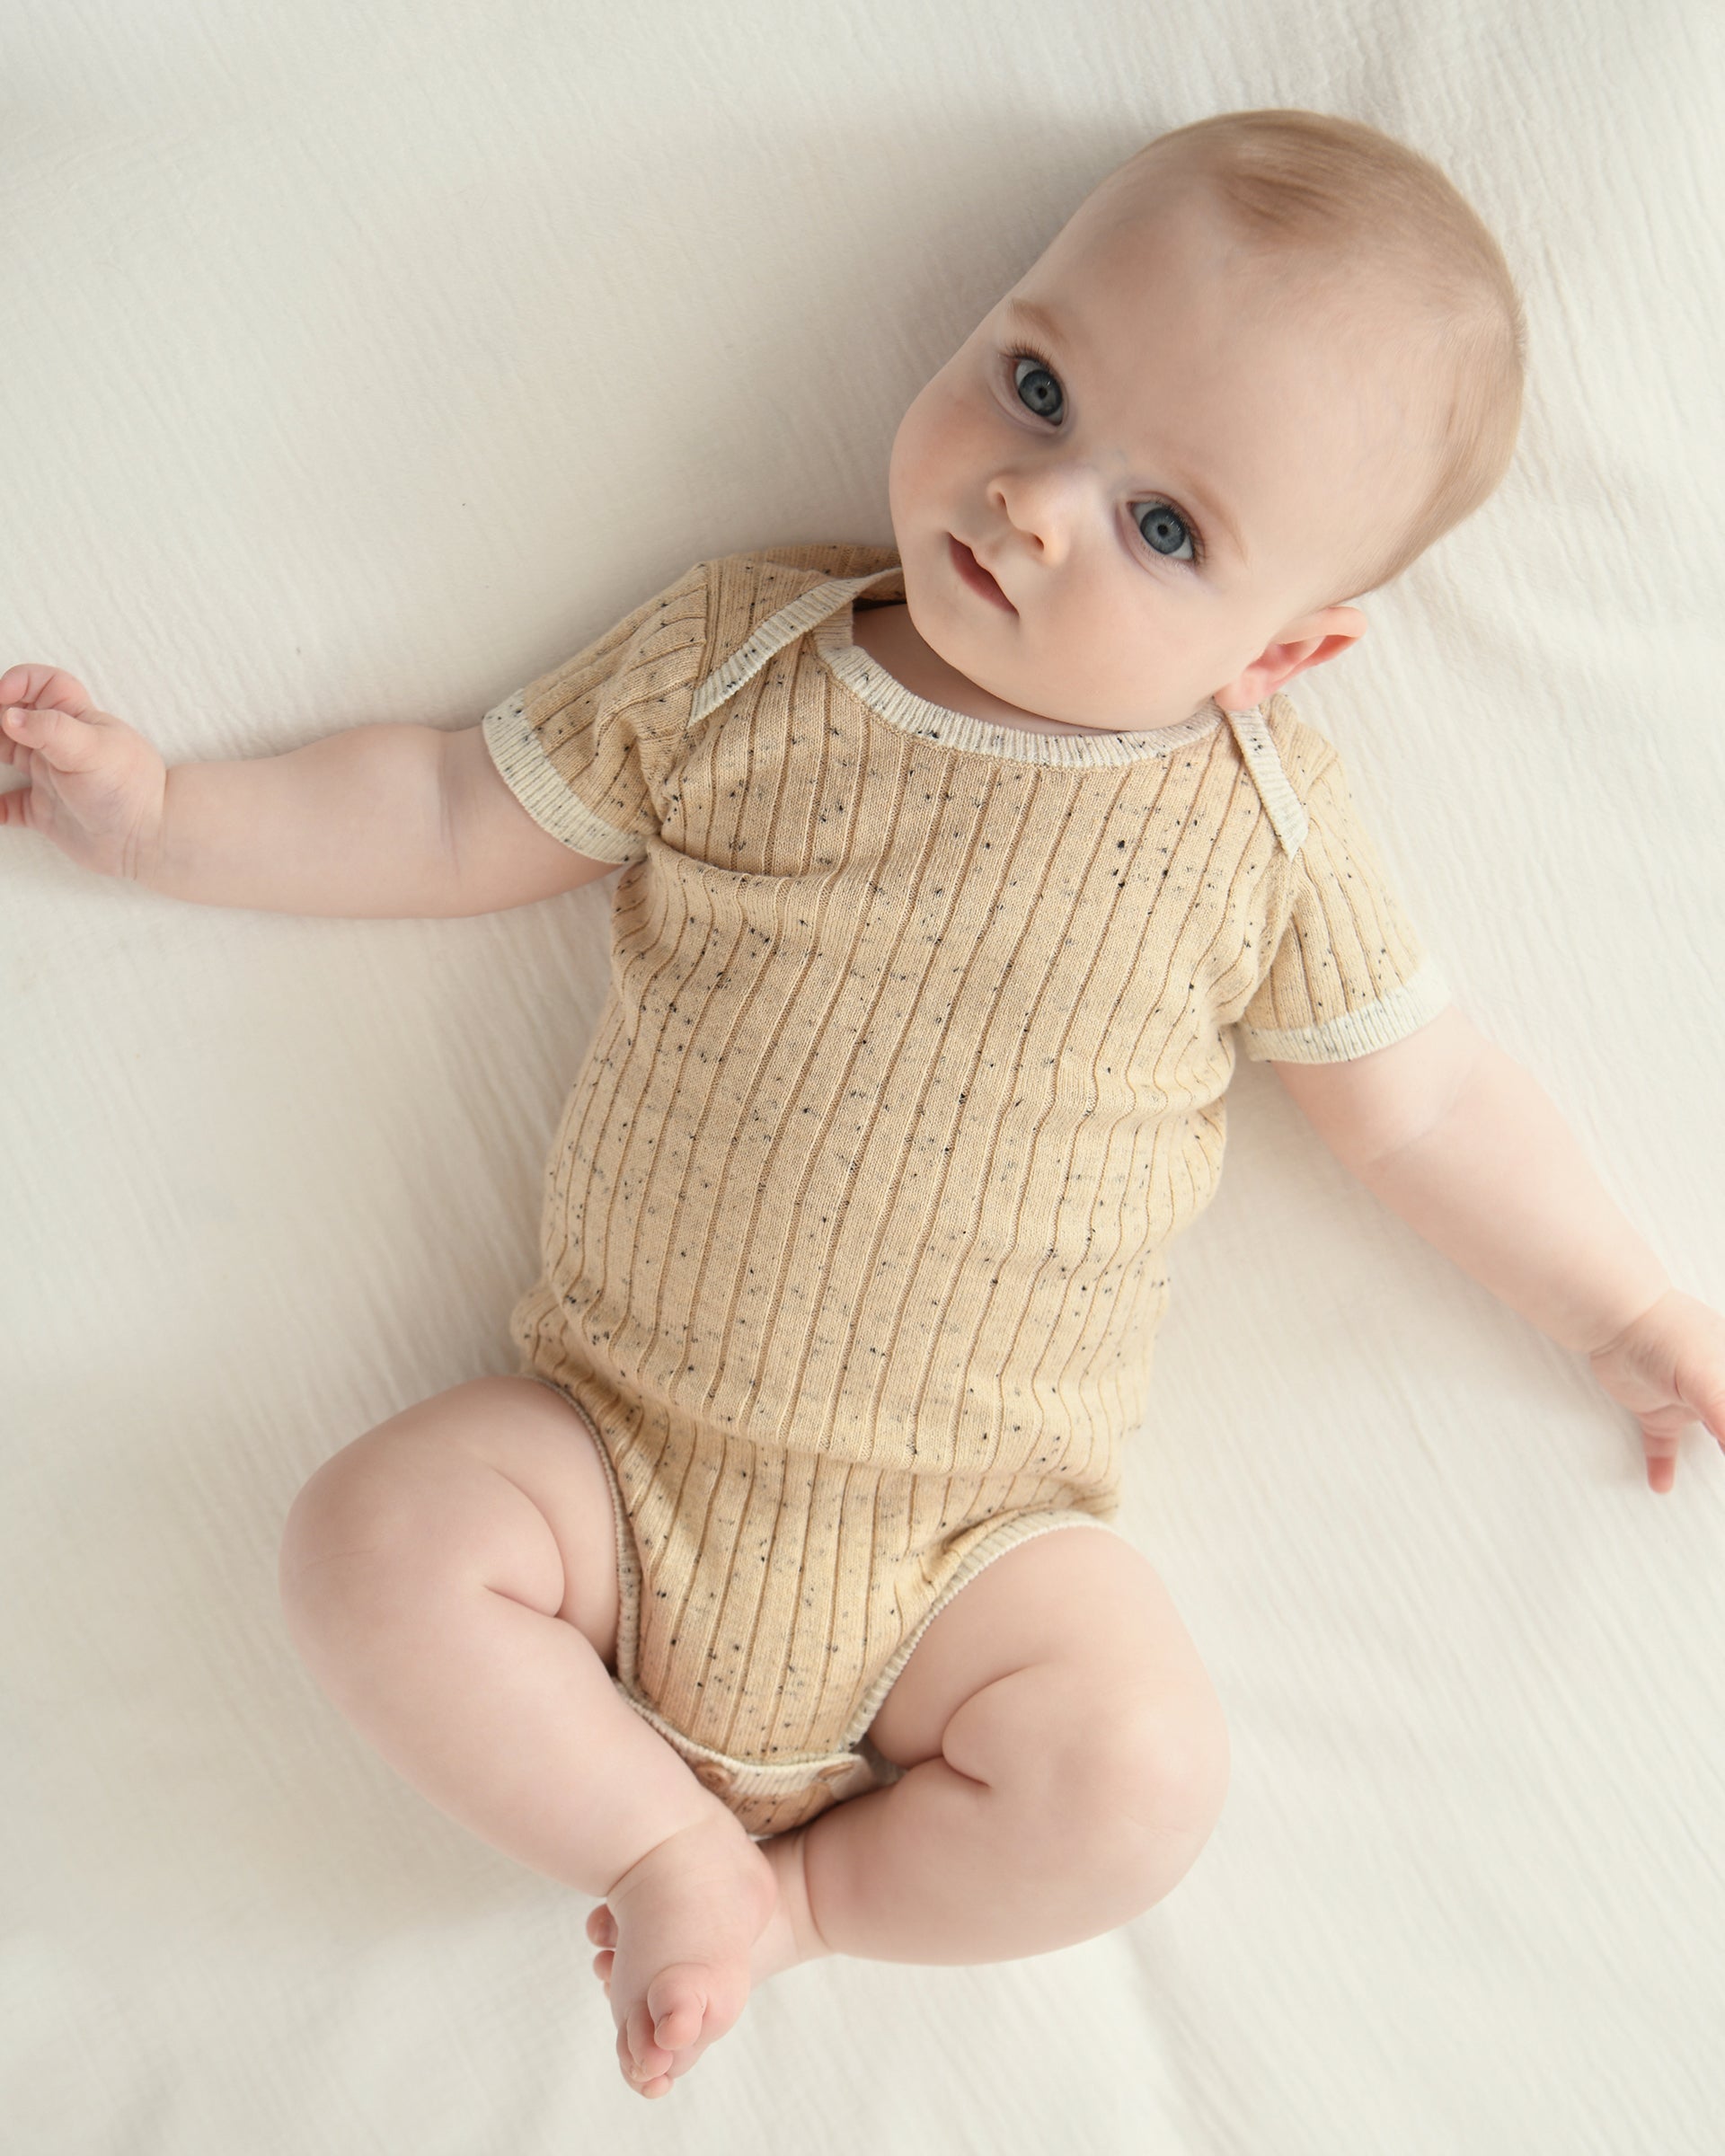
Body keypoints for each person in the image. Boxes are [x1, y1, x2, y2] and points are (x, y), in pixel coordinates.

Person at [4, 109, 1721, 2106]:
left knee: (1141, 1774)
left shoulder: (1262, 836)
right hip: (612, 1465)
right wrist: (168, 819)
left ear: (1286, 653)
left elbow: (1424, 1107)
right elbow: (459, 805)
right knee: (365, 1543)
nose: (1037, 503)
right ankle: (661, 1847)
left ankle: (795, 1905)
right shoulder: (748, 662)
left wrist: (1624, 1311)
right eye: (1038, 385)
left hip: (973, 1566)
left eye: (1167, 529)